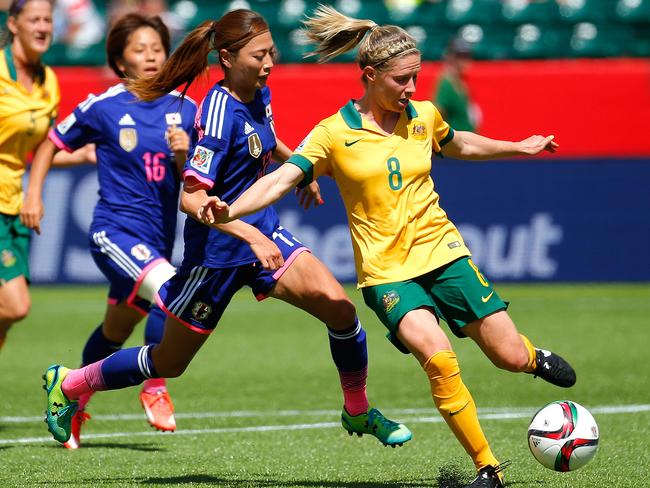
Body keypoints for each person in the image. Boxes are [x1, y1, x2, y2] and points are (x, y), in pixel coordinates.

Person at [195, 6, 577, 488]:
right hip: (388, 274)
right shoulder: (334, 134)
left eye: (416, 77)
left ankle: (531, 357)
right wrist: (231, 209)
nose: (412, 89)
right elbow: (280, 180)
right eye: (402, 80)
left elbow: (457, 143)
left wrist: (517, 146)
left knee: (508, 357)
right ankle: (488, 469)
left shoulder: (424, 116)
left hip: (444, 255)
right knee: (439, 359)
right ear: (371, 76)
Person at [43, 8, 412, 451]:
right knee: (168, 361)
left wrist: (300, 168)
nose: (269, 63)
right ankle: (70, 384)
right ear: (228, 58)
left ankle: (357, 410)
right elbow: (192, 199)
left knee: (341, 311)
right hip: (214, 258)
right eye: (259, 55)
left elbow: (265, 138)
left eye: (271, 52)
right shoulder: (215, 112)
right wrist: (251, 236)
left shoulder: (260, 91)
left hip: (264, 237)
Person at [31, 12, 196, 448]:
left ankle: (70, 399)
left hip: (157, 242)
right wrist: (34, 195)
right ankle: (155, 385)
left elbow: (195, 181)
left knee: (113, 334)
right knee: (176, 294)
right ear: (120, 62)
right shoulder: (103, 107)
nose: (150, 57)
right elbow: (51, 142)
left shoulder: (186, 109)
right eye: (139, 50)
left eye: (157, 49)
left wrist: (185, 154)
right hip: (115, 233)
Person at [0, 0, 59, 354]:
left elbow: (47, 148)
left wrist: (34, 193)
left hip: (14, 204)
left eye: (48, 20)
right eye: (34, 19)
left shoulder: (48, 80)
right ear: (14, 24)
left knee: (9, 314)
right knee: (16, 305)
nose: (42, 27)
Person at [433, 37, 480, 133]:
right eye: (460, 56)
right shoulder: (446, 84)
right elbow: (437, 113)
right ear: (450, 57)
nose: (465, 60)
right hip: (457, 143)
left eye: (467, 55)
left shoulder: (460, 81)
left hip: (468, 141)